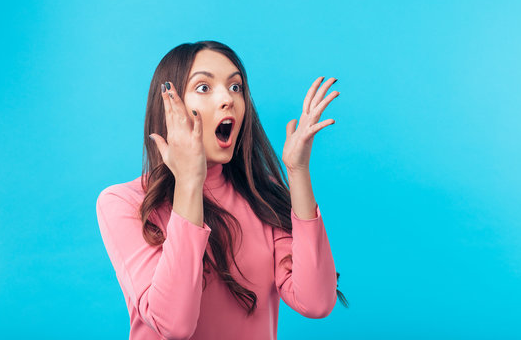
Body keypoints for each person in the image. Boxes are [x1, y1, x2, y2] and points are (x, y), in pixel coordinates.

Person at [96, 40, 348, 340]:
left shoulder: (260, 195)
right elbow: (173, 325)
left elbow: (316, 302)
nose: (228, 99)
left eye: (236, 87)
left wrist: (297, 173)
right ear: (170, 107)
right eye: (203, 87)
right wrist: (190, 181)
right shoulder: (123, 203)